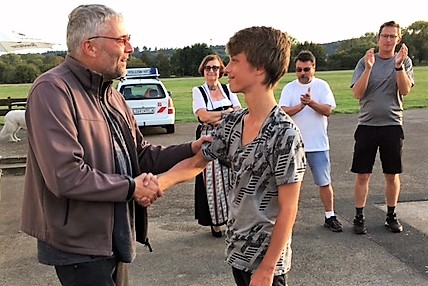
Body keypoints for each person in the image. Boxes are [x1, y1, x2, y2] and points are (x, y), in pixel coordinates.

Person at [20, 4, 208, 286]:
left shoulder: (112, 95)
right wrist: (133, 188)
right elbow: (65, 176)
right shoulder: (52, 90)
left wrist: (191, 148)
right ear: (90, 47)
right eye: (121, 40)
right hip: (78, 245)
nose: (130, 47)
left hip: (114, 235)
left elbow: (142, 156)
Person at [174, 26, 306, 286]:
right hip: (238, 253)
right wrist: (158, 183)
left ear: (259, 68)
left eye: (234, 60)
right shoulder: (234, 122)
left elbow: (289, 208)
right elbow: (199, 160)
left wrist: (268, 269)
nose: (226, 69)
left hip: (267, 264)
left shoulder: (284, 133)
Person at [350, 20, 414, 235]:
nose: (388, 40)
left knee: (391, 173)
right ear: (378, 38)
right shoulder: (365, 61)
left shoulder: (404, 62)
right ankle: (359, 216)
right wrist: (368, 69)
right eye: (385, 36)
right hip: (367, 125)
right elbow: (358, 93)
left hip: (392, 125)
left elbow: (405, 91)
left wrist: (398, 66)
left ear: (398, 39)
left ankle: (391, 215)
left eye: (392, 36)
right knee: (362, 174)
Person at [279, 50, 343, 233]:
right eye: (299, 70)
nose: (302, 73)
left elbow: (328, 110)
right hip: (294, 146)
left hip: (318, 144)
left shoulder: (322, 86)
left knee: (324, 182)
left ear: (314, 68)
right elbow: (282, 111)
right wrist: (300, 106)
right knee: (290, 184)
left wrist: (311, 102)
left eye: (306, 69)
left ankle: (330, 215)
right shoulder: (289, 88)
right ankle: (287, 219)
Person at [192, 54, 242, 237]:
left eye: (215, 67)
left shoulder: (229, 89)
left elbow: (239, 112)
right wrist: (226, 113)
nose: (211, 71)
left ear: (221, 70)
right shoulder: (199, 91)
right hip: (209, 139)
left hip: (229, 138)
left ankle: (232, 220)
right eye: (208, 68)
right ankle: (216, 222)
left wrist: (217, 115)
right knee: (213, 182)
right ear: (203, 71)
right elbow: (203, 116)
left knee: (232, 179)